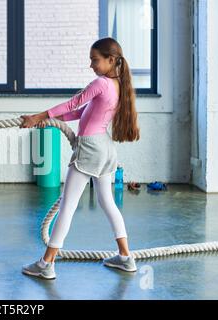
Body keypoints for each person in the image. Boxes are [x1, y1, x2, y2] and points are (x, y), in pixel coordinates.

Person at [20, 37, 140, 280]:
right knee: (107, 203)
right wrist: (51, 120)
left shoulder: (101, 83)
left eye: (95, 60)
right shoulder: (117, 85)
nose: (91, 65)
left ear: (110, 60)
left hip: (90, 149)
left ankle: (46, 262)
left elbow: (75, 101)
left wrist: (38, 115)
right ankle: (126, 257)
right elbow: (80, 111)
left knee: (68, 205)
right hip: (105, 148)